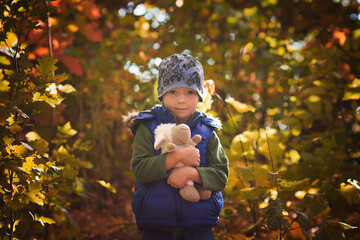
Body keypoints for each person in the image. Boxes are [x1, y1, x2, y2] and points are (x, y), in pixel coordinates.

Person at [125, 53, 229, 240]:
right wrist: (174, 158)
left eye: (190, 92)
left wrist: (192, 174)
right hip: (156, 229)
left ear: (199, 96)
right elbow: (140, 169)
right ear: (162, 94)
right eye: (173, 91)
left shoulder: (208, 131)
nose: (181, 100)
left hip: (199, 229)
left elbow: (221, 175)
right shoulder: (148, 127)